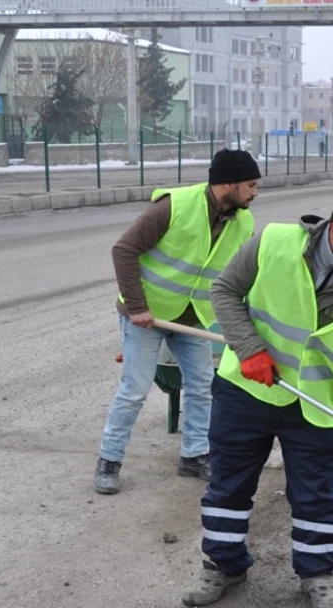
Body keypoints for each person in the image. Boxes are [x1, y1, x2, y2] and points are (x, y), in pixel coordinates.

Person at [182, 182, 333, 608]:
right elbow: (224, 291)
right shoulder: (274, 243)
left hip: (317, 404)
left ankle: (318, 574)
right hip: (246, 390)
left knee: (315, 495)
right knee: (228, 486)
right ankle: (223, 564)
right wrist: (249, 347)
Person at [92, 149, 261, 495]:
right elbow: (124, 250)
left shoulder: (243, 222)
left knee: (201, 386)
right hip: (146, 317)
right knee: (134, 391)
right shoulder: (175, 206)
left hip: (193, 317)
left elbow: (236, 276)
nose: (255, 192)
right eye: (250, 184)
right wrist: (137, 306)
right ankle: (109, 460)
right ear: (228, 183)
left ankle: (194, 455)